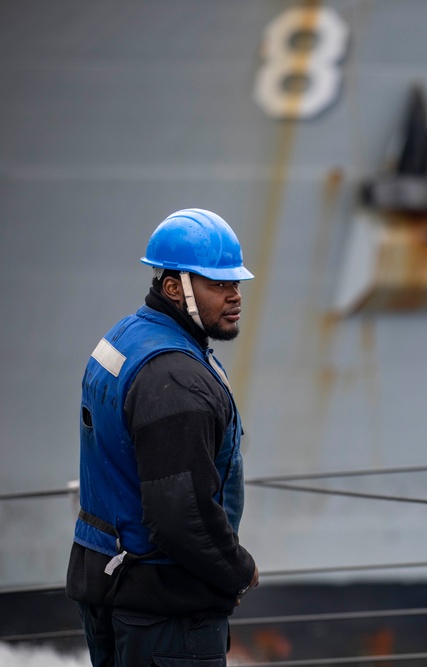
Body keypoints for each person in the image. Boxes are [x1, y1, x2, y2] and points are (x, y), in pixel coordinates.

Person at [67, 208, 260, 667]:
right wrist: (238, 571)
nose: (234, 297)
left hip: (109, 582)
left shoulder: (128, 337)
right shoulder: (176, 380)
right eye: (218, 285)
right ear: (174, 288)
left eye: (236, 284)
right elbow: (180, 516)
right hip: (164, 609)